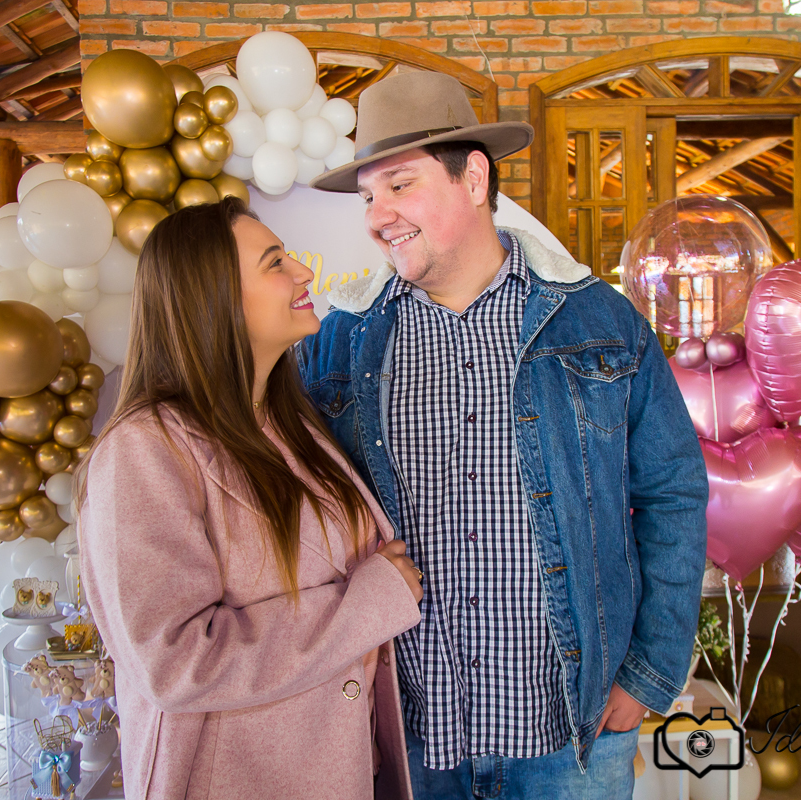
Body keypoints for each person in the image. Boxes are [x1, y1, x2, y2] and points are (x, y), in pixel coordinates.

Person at [300, 72, 709, 800]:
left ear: (474, 178)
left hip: (570, 732)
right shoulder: (339, 343)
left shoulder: (599, 323)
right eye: (366, 197)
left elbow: (672, 493)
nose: (377, 217)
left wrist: (649, 671)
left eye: (399, 186)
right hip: (412, 735)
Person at [77, 198, 424, 800]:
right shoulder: (145, 449)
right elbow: (174, 662)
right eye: (275, 263)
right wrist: (370, 601)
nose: (303, 272)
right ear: (211, 298)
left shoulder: (291, 420)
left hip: (337, 769)